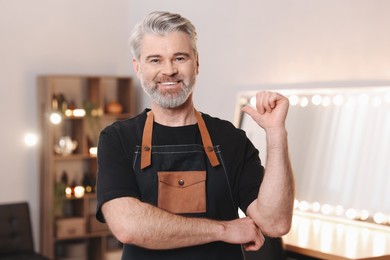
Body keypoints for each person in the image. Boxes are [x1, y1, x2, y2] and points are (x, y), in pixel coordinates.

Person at [96, 11, 295, 260]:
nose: (168, 70)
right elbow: (128, 226)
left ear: (197, 63)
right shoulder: (118, 139)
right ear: (138, 67)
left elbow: (275, 223)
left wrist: (276, 134)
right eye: (155, 60)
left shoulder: (231, 139)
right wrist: (223, 229)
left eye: (179, 57)